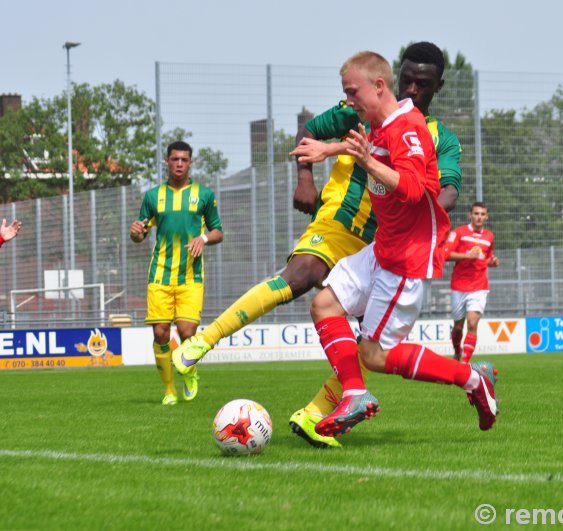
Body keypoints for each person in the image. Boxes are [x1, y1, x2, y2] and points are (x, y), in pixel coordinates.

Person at [172, 42, 462, 448]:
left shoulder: (438, 137)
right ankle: (205, 340)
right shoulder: (359, 108)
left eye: (424, 84)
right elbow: (308, 131)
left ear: (439, 87)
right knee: (304, 274)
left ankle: (314, 414)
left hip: (383, 244)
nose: (413, 89)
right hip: (338, 221)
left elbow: (445, 192)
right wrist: (305, 177)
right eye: (408, 80)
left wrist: (422, 216)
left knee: (369, 345)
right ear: (390, 79)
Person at [291, 50, 498, 439]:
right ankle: (354, 392)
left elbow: (418, 190)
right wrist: (327, 150)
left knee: (374, 354)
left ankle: (473, 379)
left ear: (379, 86)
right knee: (324, 303)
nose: (349, 101)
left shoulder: (407, 128)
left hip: (405, 260)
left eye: (353, 92)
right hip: (384, 247)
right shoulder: (384, 121)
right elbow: (368, 149)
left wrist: (367, 164)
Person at [130, 141, 223, 406]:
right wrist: (135, 232)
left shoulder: (203, 195)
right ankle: (169, 390)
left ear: (190, 163)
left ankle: (190, 373)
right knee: (160, 333)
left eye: (184, 159)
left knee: (186, 332)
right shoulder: (153, 196)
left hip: (191, 276)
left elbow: (218, 231)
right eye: (174, 159)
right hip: (159, 274)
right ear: (167, 162)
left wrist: (203, 239)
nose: (179, 163)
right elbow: (140, 233)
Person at [445, 201, 499, 363]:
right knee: (458, 327)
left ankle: (464, 363)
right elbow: (446, 254)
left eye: (482, 214)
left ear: (486, 217)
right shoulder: (459, 233)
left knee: (472, 323)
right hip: (459, 286)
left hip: (479, 286)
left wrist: (492, 262)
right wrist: (466, 256)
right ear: (470, 215)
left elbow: (486, 258)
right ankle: (457, 351)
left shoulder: (489, 236)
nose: (479, 217)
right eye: (476, 214)